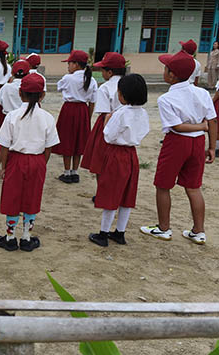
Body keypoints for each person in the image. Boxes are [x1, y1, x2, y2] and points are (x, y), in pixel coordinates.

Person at [141, 51, 217, 244]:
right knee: (193, 187)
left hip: (177, 142)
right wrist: (211, 146)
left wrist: (200, 126)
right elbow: (213, 121)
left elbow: (177, 126)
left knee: (163, 185)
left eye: (166, 69)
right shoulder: (201, 93)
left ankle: (163, 228)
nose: (164, 71)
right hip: (198, 142)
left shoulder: (166, 99)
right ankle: (198, 231)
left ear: (172, 75)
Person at [0, 73, 59, 252]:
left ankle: (10, 236)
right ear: (43, 95)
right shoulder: (47, 117)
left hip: (16, 160)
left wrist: (4, 167)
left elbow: (4, 146)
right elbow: (49, 147)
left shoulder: (12, 116)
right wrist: (41, 164)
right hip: (37, 160)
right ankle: (27, 237)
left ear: (20, 93)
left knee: (12, 197)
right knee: (32, 197)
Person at [89, 74, 150, 247]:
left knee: (111, 193)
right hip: (131, 154)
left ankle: (103, 233)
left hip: (116, 154)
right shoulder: (143, 113)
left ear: (122, 95)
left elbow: (108, 136)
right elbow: (144, 131)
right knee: (126, 194)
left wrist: (108, 121)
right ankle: (120, 232)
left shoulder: (120, 113)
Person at [55, 49, 97, 183]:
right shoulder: (92, 80)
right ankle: (75, 171)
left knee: (67, 139)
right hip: (83, 110)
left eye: (70, 63)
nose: (68, 66)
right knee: (79, 141)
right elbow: (92, 102)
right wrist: (88, 117)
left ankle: (67, 172)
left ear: (77, 64)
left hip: (69, 109)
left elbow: (58, 87)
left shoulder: (69, 78)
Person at [81, 52, 126, 176]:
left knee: (101, 162)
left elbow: (105, 112)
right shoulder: (128, 84)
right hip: (126, 123)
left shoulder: (105, 88)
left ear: (110, 72)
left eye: (102, 70)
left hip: (107, 122)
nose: (102, 73)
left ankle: (101, 192)